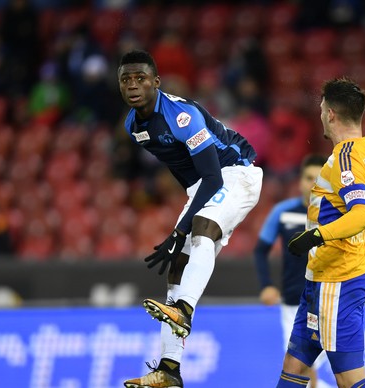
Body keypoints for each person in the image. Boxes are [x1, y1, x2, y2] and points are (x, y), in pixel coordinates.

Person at [117, 50, 263, 388]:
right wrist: (178, 234)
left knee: (200, 230)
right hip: (202, 183)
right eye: (126, 80)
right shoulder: (132, 125)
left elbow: (213, 177)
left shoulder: (182, 115)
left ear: (156, 82)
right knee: (177, 267)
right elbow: (185, 169)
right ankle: (169, 369)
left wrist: (177, 230)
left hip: (234, 172)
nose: (133, 85)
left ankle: (184, 308)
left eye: (140, 78)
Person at [256, 155, 365, 387]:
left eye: (317, 178)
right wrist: (266, 285)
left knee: (341, 376)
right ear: (299, 180)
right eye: (308, 177)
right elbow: (260, 250)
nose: (312, 183)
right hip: (296, 301)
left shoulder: (338, 213)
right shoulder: (283, 212)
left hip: (331, 293)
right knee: (297, 366)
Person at [275, 77, 365, 388]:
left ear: (330, 113)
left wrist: (317, 235)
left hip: (338, 280)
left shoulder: (344, 158)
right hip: (319, 280)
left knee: (348, 379)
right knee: (293, 366)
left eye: (321, 107)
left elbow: (360, 215)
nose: (320, 113)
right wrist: (350, 229)